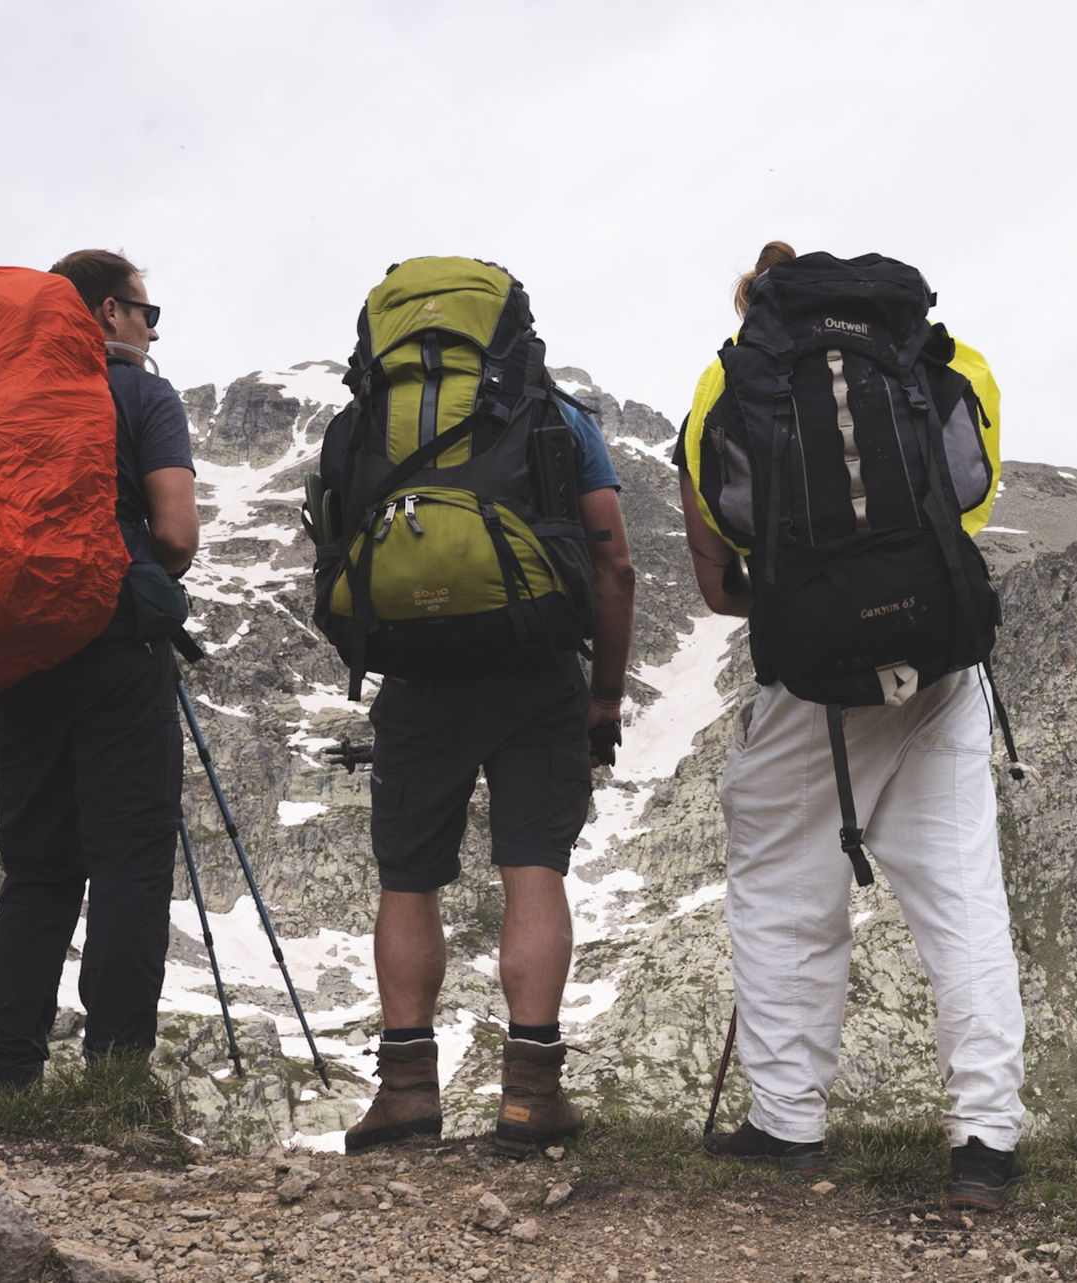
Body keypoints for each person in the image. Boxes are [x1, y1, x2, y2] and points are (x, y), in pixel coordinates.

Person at [675, 242, 1028, 1210]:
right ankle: (985, 1139)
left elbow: (717, 583)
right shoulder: (945, 362)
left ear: (756, 305)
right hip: (943, 664)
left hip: (812, 687)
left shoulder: (726, 380)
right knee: (961, 899)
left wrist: (819, 602)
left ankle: (787, 1120)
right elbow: (970, 501)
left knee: (786, 892)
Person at [343, 338, 635, 1156]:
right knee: (533, 866)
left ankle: (404, 1094)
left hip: (417, 676)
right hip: (534, 671)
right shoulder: (556, 416)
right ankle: (530, 1099)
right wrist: (605, 692)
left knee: (408, 876)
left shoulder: (368, 418)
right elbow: (614, 564)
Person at [0, 249, 200, 1091]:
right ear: (107, 312)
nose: (151, 327)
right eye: (148, 311)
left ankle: (5, 1080)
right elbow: (174, 535)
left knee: (36, 868)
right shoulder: (139, 393)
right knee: (131, 860)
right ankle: (114, 1083)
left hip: (15, 653)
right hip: (111, 647)